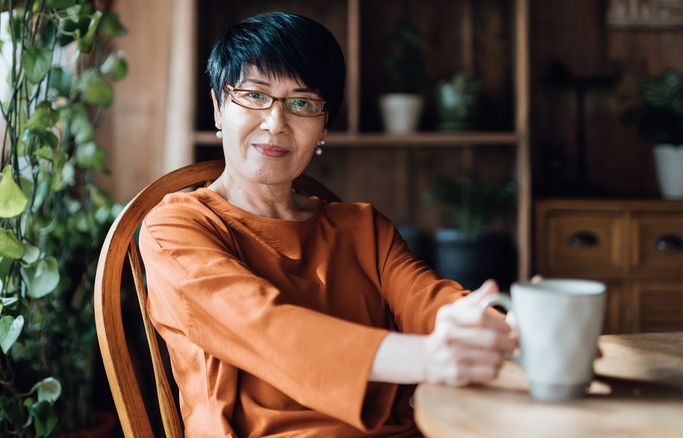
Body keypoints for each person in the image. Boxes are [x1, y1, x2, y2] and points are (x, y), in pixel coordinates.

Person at [139, 11, 517, 437]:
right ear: (218, 108)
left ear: (323, 128)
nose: (276, 123)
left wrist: (487, 323)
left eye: (302, 103)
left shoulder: (363, 228)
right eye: (255, 95)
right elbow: (268, 329)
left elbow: (429, 301)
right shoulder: (176, 228)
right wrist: (430, 356)